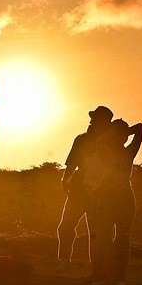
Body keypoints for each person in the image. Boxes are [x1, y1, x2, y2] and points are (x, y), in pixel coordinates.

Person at [85, 118, 142, 285]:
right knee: (105, 237)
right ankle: (106, 276)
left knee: (119, 237)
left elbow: (140, 127)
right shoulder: (107, 149)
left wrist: (121, 131)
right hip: (112, 195)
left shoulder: (122, 151)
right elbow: (139, 129)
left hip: (118, 195)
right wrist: (123, 132)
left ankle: (115, 278)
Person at [56, 105, 114, 273]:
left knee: (96, 230)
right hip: (80, 188)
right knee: (67, 226)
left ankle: (96, 267)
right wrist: (65, 179)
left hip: (99, 189)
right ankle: (64, 260)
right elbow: (72, 162)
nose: (91, 121)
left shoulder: (110, 143)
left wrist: (66, 179)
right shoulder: (82, 139)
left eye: (96, 118)